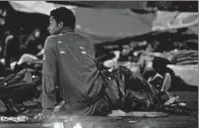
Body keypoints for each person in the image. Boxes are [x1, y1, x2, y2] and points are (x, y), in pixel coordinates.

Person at [35, 7, 177, 120]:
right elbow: (86, 68)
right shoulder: (85, 40)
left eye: (50, 23)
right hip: (97, 96)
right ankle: (159, 93)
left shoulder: (51, 41)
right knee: (122, 73)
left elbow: (49, 77)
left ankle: (157, 90)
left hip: (81, 104)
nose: (48, 28)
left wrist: (47, 109)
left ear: (60, 24)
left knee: (123, 89)